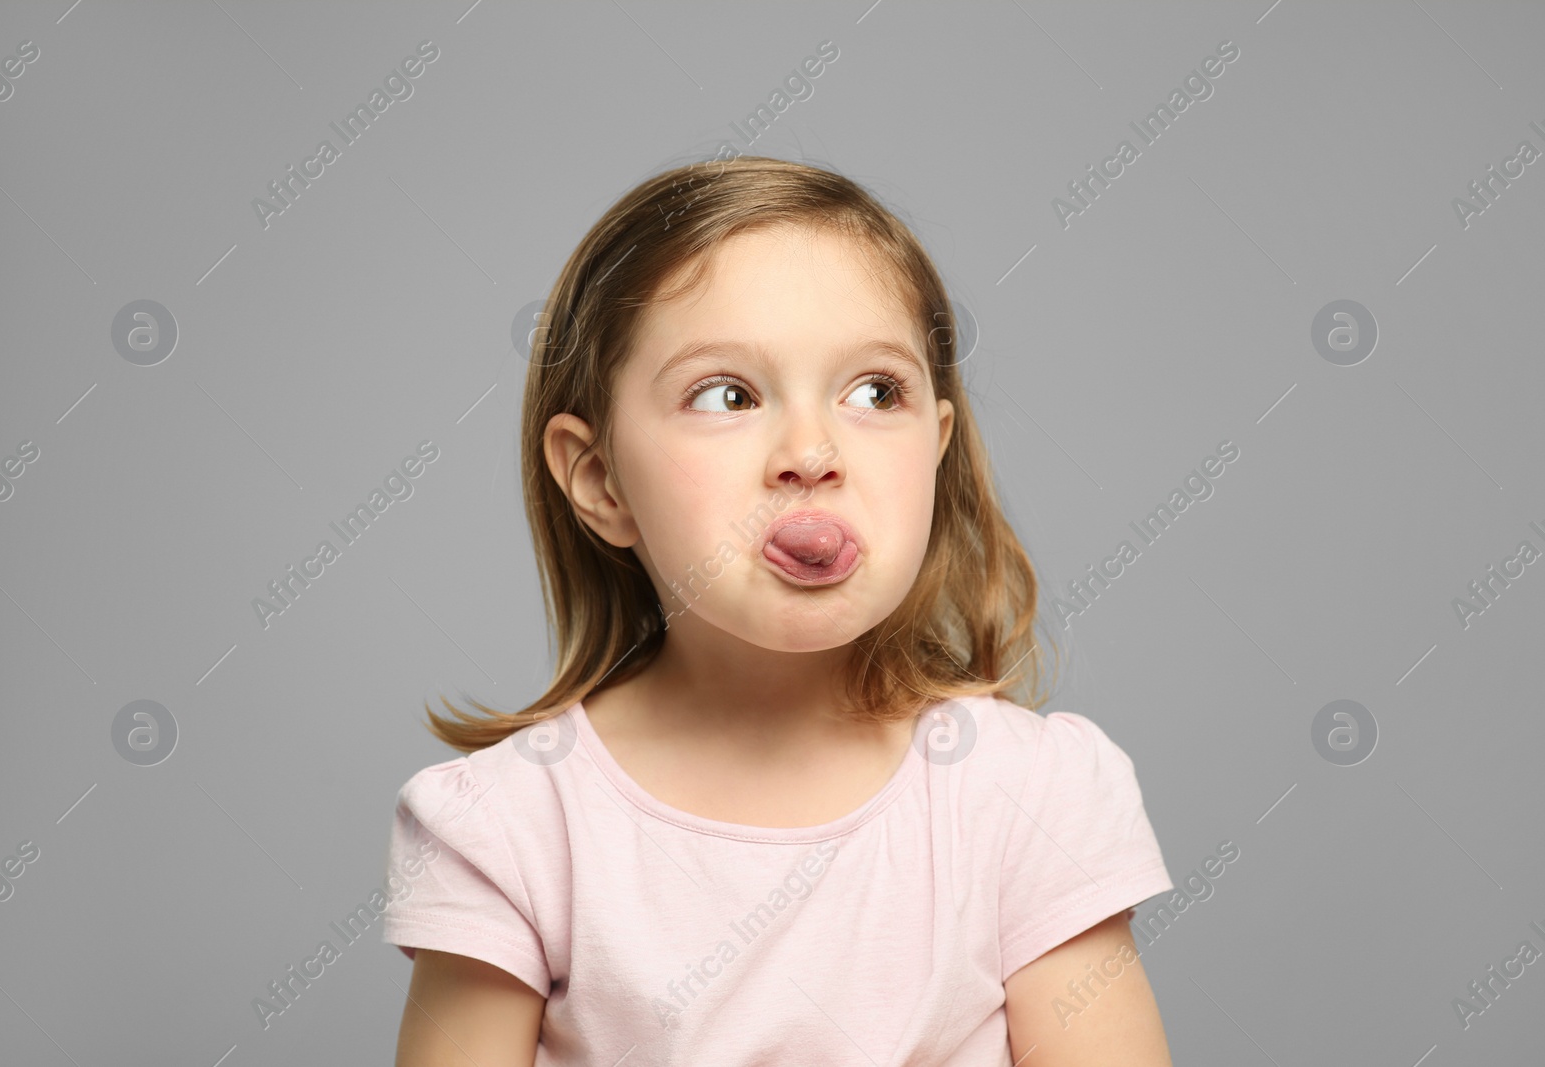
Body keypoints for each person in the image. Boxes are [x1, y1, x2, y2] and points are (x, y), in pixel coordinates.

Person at [380, 155, 1176, 1065]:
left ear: (936, 449)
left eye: (876, 392)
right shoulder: (514, 827)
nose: (812, 450)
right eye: (728, 395)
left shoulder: (1031, 799)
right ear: (601, 482)